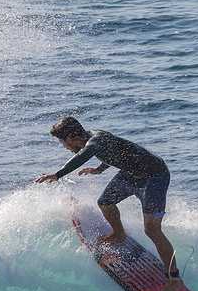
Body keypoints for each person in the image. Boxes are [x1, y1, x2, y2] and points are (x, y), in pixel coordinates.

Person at [35, 116, 180, 278]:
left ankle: (173, 277)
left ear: (70, 137)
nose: (65, 147)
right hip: (131, 174)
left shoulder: (95, 141)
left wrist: (57, 175)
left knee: (152, 230)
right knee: (105, 202)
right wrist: (99, 169)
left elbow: (81, 157)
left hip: (154, 177)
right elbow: (115, 152)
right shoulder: (95, 140)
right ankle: (119, 233)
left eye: (63, 143)